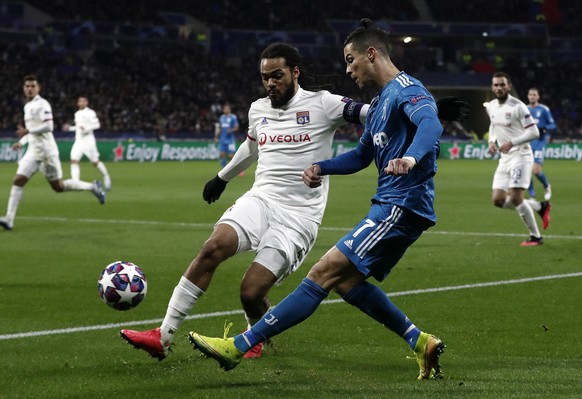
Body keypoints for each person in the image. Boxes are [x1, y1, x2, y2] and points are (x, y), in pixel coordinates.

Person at [120, 41, 466, 363]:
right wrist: (222, 178)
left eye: (277, 75)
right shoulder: (258, 110)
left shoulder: (324, 103)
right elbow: (253, 146)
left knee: (251, 292)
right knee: (215, 246)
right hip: (261, 199)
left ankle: (253, 338)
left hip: (299, 216)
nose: (269, 83)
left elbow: (374, 116)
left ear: (295, 73)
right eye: (264, 77)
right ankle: (164, 335)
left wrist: (429, 113)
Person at [188, 19, 448, 380]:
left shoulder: (407, 89)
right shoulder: (381, 101)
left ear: (371, 54)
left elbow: (431, 125)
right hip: (391, 204)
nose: (347, 69)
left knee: (322, 273)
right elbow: (360, 157)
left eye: (350, 60)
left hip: (402, 205)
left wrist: (411, 158)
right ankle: (421, 342)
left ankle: (240, 346)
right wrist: (320, 167)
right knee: (346, 282)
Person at [0, 75, 106, 231]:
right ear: (24, 88)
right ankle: (9, 219)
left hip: (47, 152)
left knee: (58, 186)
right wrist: (21, 142)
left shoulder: (42, 104)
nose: (29, 88)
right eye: (27, 86)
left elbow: (49, 126)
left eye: (32, 86)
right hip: (33, 152)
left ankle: (92, 187)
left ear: (38, 88)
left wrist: (27, 130)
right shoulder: (27, 106)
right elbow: (32, 133)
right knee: (18, 181)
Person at [486, 72, 550, 246]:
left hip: (521, 155)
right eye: (496, 85)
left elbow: (534, 132)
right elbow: (493, 125)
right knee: (498, 200)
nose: (499, 88)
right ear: (492, 87)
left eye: (502, 85)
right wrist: (492, 141)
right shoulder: (491, 106)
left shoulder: (518, 106)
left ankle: (536, 237)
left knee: (515, 197)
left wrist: (511, 142)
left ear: (508, 86)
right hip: (504, 158)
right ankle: (539, 207)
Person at [63, 96, 111, 191]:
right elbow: (78, 127)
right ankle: (76, 183)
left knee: (95, 162)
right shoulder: (77, 113)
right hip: (79, 141)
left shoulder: (90, 113)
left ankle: (106, 176)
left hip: (89, 141)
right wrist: (70, 128)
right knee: (74, 160)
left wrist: (87, 129)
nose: (81, 103)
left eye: (83, 101)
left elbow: (97, 125)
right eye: (79, 101)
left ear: (87, 103)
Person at [526, 87, 556, 201]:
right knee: (527, 171)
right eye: (530, 94)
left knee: (536, 170)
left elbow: (553, 125)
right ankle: (532, 195)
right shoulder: (524, 109)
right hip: (527, 143)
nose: (532, 96)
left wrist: (544, 128)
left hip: (539, 142)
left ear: (538, 97)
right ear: (528, 96)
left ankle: (547, 186)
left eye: (534, 95)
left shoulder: (544, 109)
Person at [214, 103, 239, 169]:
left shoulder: (233, 117)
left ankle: (238, 169)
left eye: (227, 109)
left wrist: (231, 130)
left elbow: (237, 127)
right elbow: (220, 128)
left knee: (231, 156)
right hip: (223, 139)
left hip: (230, 140)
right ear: (223, 110)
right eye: (225, 109)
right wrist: (216, 136)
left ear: (229, 110)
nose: (226, 110)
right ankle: (224, 169)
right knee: (222, 154)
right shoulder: (222, 117)